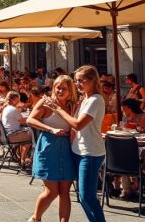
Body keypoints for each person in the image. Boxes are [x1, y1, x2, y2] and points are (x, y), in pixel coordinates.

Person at [45, 65, 106, 222]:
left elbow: (77, 124)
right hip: (78, 151)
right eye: (76, 80)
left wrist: (58, 109)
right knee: (83, 196)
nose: (77, 84)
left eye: (81, 81)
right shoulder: (84, 98)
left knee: (87, 196)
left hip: (90, 152)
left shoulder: (96, 99)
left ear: (92, 80)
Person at [26, 75, 77, 222]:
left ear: (70, 90)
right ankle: (36, 218)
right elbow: (30, 120)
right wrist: (50, 129)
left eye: (64, 88)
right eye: (57, 87)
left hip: (67, 148)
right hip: (49, 146)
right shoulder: (46, 102)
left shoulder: (72, 104)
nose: (60, 91)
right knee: (51, 191)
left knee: (65, 191)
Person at [0, 91, 32, 166]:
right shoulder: (13, 109)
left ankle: (20, 157)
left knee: (27, 135)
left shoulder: (6, 108)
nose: (19, 101)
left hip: (7, 134)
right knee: (32, 137)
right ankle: (23, 160)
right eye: (18, 99)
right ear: (14, 99)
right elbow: (24, 122)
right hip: (12, 136)